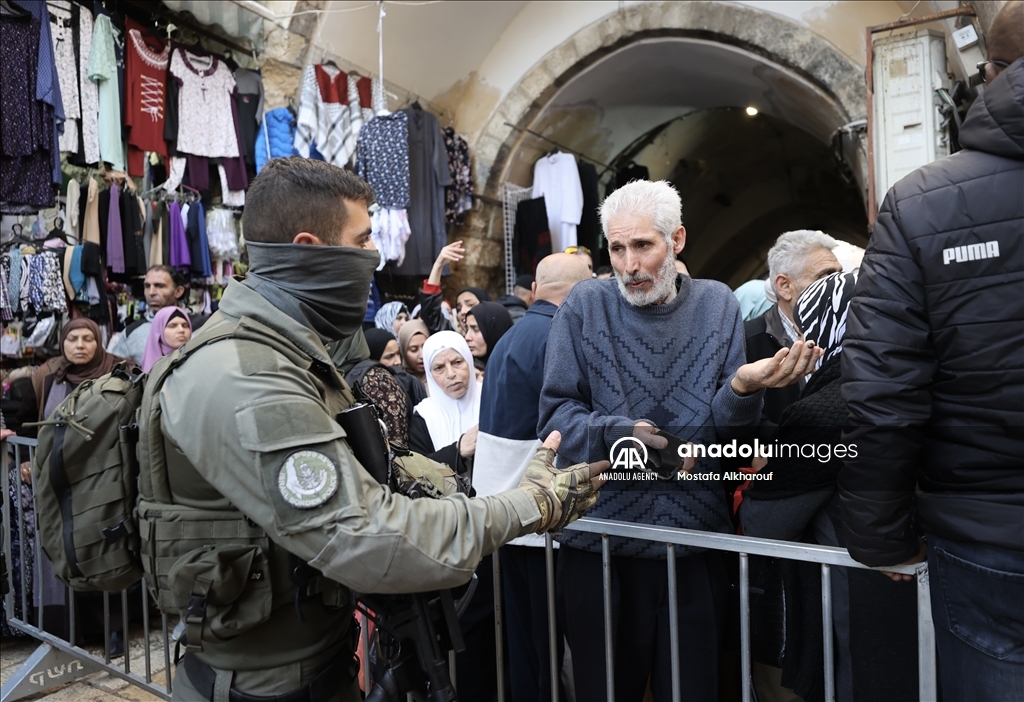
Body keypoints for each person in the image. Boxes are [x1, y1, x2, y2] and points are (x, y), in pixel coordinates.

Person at [145, 157, 607, 702]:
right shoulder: (246, 374)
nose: (375, 255)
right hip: (263, 687)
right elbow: (362, 534)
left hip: (309, 666)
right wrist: (529, 504)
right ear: (311, 247)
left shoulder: (289, 350)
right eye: (364, 240)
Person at [539, 180, 819, 702]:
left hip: (694, 545)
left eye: (643, 245)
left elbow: (727, 434)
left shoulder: (717, 305)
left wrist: (742, 388)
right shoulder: (584, 306)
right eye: (617, 249)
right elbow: (556, 417)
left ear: (678, 240)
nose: (629, 265)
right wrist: (620, 434)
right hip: (600, 546)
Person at [839, 5, 1024, 699]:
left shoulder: (921, 205)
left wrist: (882, 535)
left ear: (987, 73)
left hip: (988, 544)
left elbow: (884, 393)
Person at [739, 272, 918, 702]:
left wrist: (764, 475)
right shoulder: (918, 379)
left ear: (822, 328)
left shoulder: (826, 408)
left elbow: (766, 521)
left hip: (868, 607)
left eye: (803, 330)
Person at [475, 252, 591, 702]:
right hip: (538, 518)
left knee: (525, 646)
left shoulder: (512, 334)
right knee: (551, 647)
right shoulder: (556, 334)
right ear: (579, 290)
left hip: (509, 514)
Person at [746, 230, 842, 425]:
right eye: (826, 276)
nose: (839, 284)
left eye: (840, 274)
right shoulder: (746, 341)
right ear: (785, 286)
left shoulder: (855, 332)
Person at [19, 319, 132, 433]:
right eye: (72, 339)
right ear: (63, 343)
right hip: (56, 449)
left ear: (98, 342)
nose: (80, 345)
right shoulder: (47, 373)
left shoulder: (120, 371)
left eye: (87, 339)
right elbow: (26, 422)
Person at [408, 331, 479, 476]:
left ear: (469, 361)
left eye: (457, 362)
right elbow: (417, 472)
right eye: (439, 368)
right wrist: (457, 451)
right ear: (430, 374)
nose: (451, 374)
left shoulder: (491, 399)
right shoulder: (424, 416)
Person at [107, 265, 188, 365]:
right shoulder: (132, 332)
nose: (151, 292)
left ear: (178, 291)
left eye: (159, 286)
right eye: (147, 286)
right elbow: (115, 370)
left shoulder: (200, 327)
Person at [140, 306, 193, 372]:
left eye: (185, 325)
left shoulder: (197, 359)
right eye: (172, 326)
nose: (181, 330)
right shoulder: (150, 368)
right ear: (159, 331)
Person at [463, 301, 513, 367]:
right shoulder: (465, 368)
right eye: (466, 329)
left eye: (476, 329)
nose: (467, 337)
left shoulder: (514, 370)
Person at [398, 318, 430, 388]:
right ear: (403, 351)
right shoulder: (400, 383)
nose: (422, 355)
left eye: (425, 347)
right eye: (414, 350)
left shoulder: (439, 376)